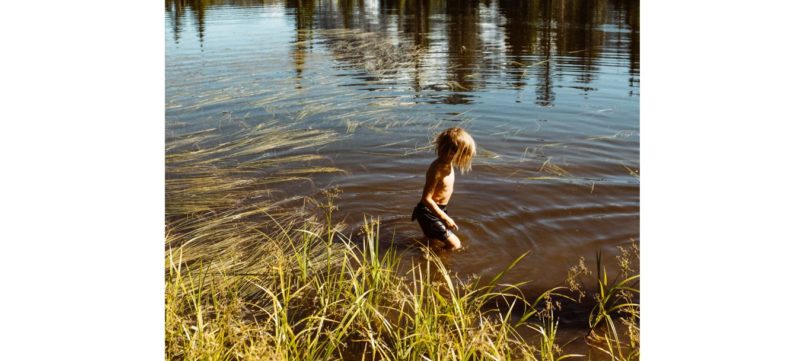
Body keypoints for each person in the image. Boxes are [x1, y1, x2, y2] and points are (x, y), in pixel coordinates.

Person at [411, 127, 476, 250]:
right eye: (463, 154)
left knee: (432, 241)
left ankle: (421, 254)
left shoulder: (447, 164)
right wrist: (445, 218)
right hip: (428, 212)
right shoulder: (437, 170)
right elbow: (426, 199)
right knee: (455, 244)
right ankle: (438, 260)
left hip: (439, 210)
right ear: (451, 152)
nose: (463, 158)